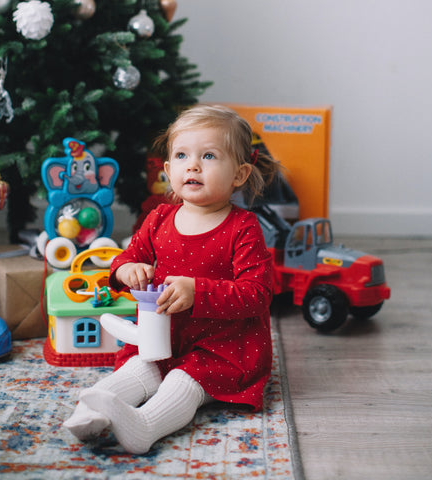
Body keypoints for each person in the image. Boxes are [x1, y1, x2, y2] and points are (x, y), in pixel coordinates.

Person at [64, 104, 282, 454]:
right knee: (137, 370)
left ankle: (145, 427)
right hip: (162, 337)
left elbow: (257, 294)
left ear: (239, 175)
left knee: (182, 382)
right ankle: (90, 415)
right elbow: (126, 257)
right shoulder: (159, 218)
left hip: (221, 347)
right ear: (168, 170)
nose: (192, 165)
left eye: (209, 156)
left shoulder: (242, 228)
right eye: (182, 155)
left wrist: (198, 291)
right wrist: (126, 269)